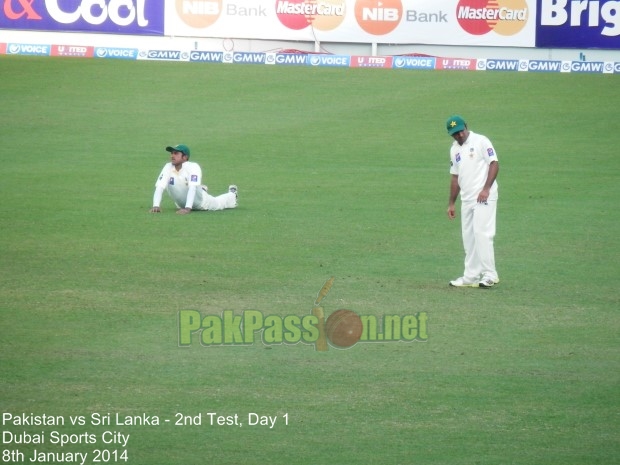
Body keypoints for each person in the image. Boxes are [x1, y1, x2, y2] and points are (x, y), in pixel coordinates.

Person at [446, 116, 500, 288]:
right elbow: (455, 177)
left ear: (466, 127)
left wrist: (486, 189)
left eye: (461, 130)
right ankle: (470, 276)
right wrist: (452, 203)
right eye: (455, 133)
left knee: (482, 234)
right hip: (467, 199)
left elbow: (494, 163)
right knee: (468, 237)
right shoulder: (454, 150)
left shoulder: (481, 141)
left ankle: (490, 275)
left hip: (484, 196)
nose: (459, 135)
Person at [149, 144, 238, 215]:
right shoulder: (168, 167)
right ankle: (202, 189)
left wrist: (187, 209)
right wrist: (156, 205)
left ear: (185, 157)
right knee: (194, 187)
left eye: (176, 153)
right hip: (181, 204)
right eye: (172, 153)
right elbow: (160, 187)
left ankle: (233, 194)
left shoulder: (193, 167)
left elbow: (192, 188)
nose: (172, 156)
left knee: (219, 203)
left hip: (202, 203)